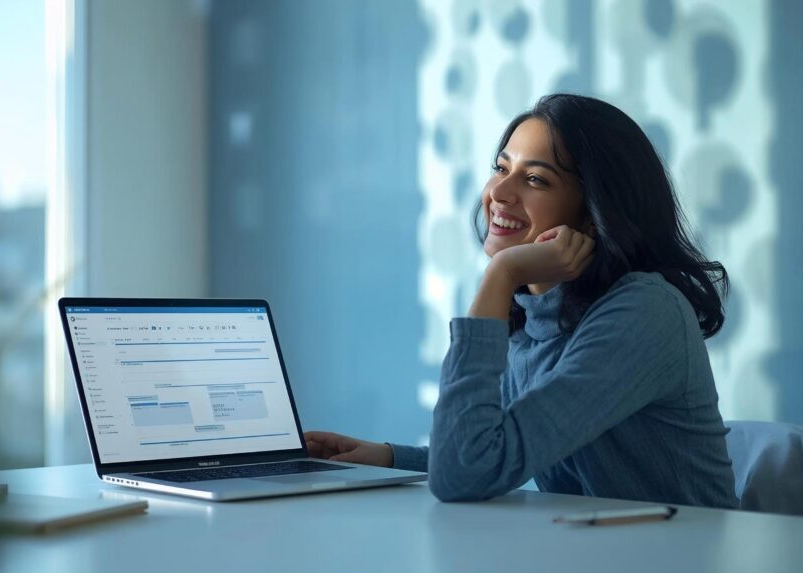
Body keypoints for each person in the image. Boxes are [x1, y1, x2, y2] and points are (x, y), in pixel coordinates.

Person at [305, 93, 739, 508]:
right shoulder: (536, 317)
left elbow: (465, 473)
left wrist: (501, 273)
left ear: (593, 212)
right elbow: (487, 450)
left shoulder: (646, 312)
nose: (500, 193)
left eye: (535, 179)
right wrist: (387, 457)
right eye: (501, 168)